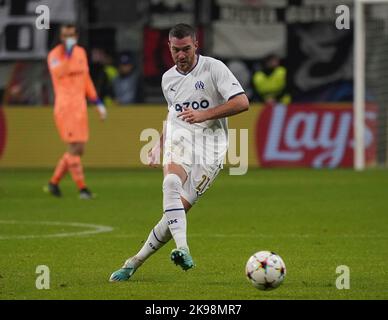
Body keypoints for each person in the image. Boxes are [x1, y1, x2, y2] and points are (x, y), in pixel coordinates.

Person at [110, 23, 249, 281]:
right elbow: (174, 114)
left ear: (196, 45)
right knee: (171, 182)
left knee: (175, 213)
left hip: (212, 147)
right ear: (169, 48)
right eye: (176, 50)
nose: (181, 55)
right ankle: (183, 249)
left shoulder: (214, 68)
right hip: (181, 139)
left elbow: (242, 102)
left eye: (186, 49)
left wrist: (204, 114)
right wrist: (160, 142)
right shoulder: (168, 79)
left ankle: (134, 261)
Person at [45, 24, 107, 199]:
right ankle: (82, 188)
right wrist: (68, 54)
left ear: (76, 35)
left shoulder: (80, 53)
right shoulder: (54, 56)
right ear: (60, 37)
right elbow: (58, 72)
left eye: (71, 35)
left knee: (79, 149)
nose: (68, 38)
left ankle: (54, 182)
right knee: (74, 147)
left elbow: (86, 79)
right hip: (65, 108)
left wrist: (97, 103)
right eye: (65, 35)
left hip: (80, 108)